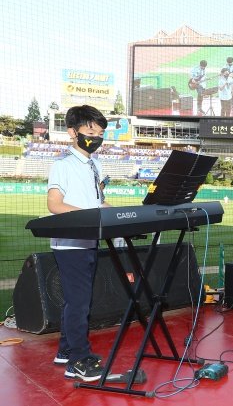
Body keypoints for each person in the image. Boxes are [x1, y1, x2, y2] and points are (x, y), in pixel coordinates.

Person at [47, 105, 109, 381]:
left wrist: (123, 213)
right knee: (79, 303)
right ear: (72, 132)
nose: (96, 136)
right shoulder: (62, 164)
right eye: (90, 131)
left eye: (100, 132)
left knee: (77, 301)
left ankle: (64, 350)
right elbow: (54, 204)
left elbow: (98, 202)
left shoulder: (97, 165)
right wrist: (89, 215)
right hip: (71, 244)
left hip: (90, 241)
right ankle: (77, 360)